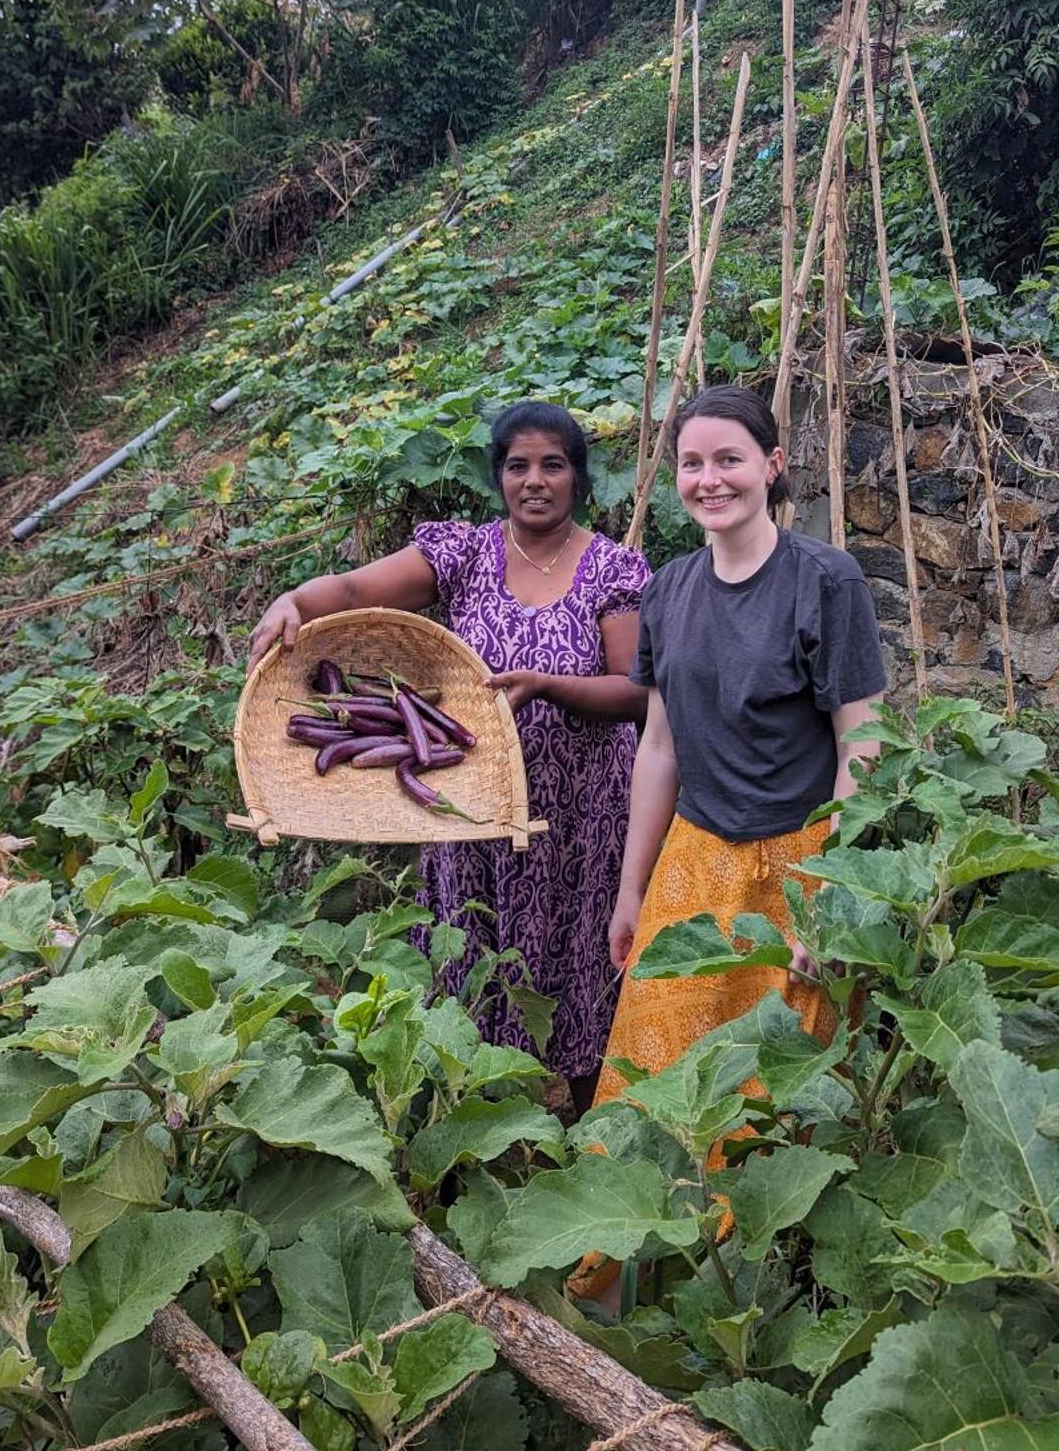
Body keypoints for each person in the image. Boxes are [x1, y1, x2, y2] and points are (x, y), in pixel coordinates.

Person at [248, 399, 649, 1113]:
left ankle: (583, 1119)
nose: (534, 480)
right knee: (476, 955)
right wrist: (292, 601)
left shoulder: (611, 568)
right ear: (498, 476)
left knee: (581, 962)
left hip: (583, 815)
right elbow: (350, 591)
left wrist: (550, 686)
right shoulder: (463, 553)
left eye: (552, 465)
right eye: (518, 465)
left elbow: (633, 693)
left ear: (578, 478)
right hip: (475, 815)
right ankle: (480, 1116)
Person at [598, 383, 887, 1105]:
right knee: (659, 1072)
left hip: (798, 864)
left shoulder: (825, 580)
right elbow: (659, 747)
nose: (709, 479)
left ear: (771, 464)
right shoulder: (666, 590)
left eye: (729, 458)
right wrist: (632, 890)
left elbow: (863, 745)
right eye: (691, 464)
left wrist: (829, 905)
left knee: (778, 1089)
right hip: (693, 860)